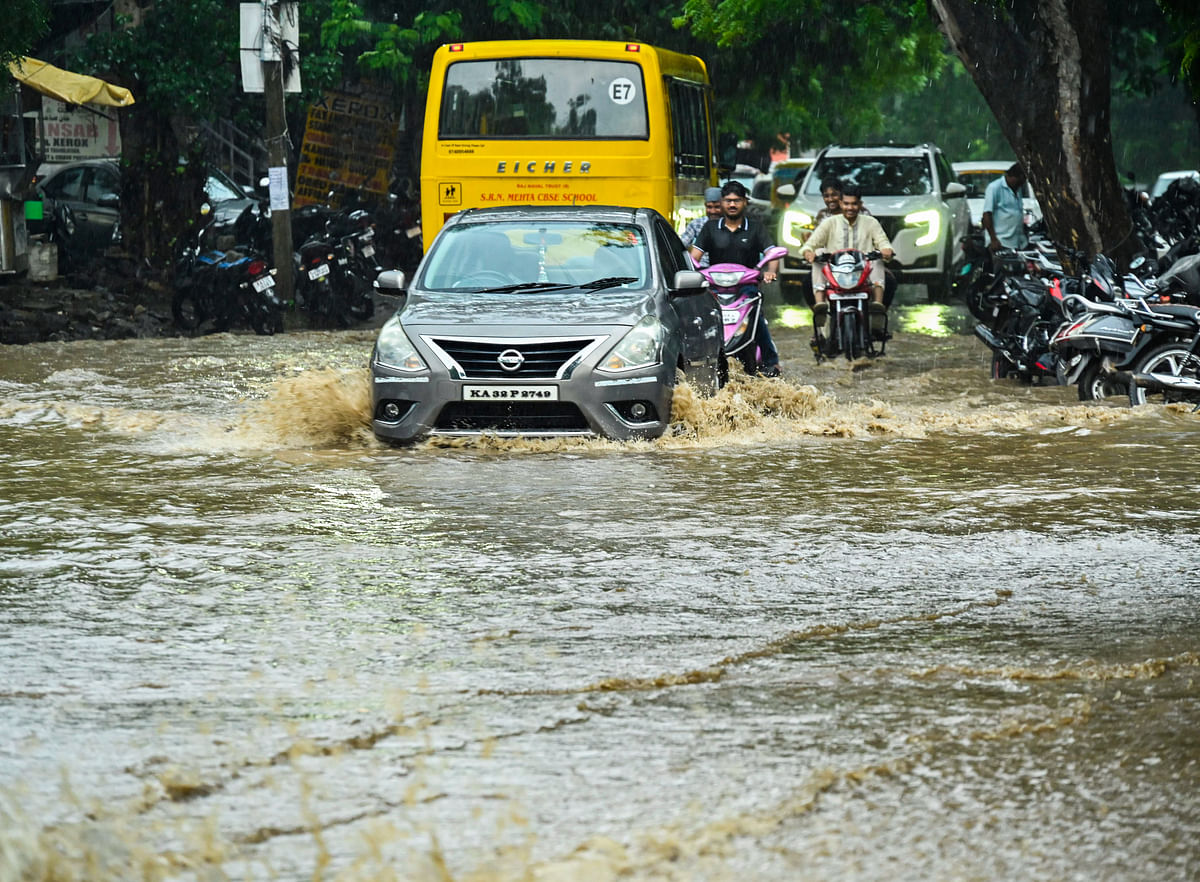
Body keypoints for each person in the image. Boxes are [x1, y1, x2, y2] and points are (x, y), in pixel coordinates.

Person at [689, 180, 782, 377]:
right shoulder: (710, 228)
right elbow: (693, 257)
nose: (732, 205)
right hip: (715, 289)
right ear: (722, 202)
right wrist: (691, 272)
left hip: (746, 289)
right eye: (728, 200)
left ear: (745, 202)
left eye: (737, 201)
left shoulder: (756, 228)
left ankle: (770, 361)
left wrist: (770, 272)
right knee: (700, 320)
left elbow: (772, 253)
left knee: (758, 320)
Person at [802, 185, 894, 337]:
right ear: (840, 204)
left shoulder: (870, 222)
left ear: (860, 204)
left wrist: (886, 251)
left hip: (863, 272)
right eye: (846, 204)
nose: (850, 208)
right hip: (835, 274)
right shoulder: (829, 222)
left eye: (854, 204)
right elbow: (810, 244)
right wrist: (808, 253)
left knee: (883, 268)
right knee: (817, 256)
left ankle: (877, 310)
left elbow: (883, 243)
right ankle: (820, 307)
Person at [982, 163, 1029, 252]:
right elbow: (987, 214)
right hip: (1001, 242)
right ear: (1015, 177)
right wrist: (993, 239)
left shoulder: (1017, 190)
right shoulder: (995, 187)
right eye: (1022, 180)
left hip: (1017, 242)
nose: (1022, 184)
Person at [680, 187, 725, 268]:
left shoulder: (730, 224)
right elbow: (681, 245)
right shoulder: (696, 224)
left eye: (717, 207)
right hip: (701, 269)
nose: (713, 211)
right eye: (709, 207)